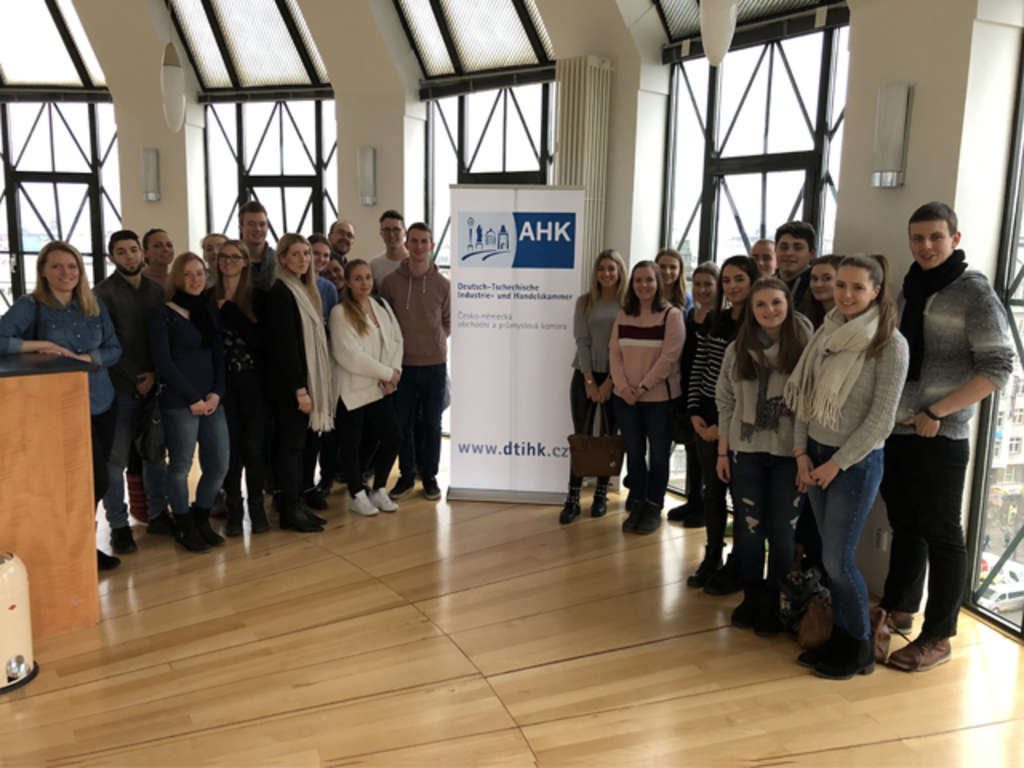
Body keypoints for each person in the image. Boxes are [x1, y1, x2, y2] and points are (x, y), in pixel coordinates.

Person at [876, 202, 1013, 672]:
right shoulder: (909, 287)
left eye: (936, 237)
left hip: (942, 431)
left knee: (942, 533)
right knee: (905, 524)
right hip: (898, 426)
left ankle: (939, 636)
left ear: (955, 238)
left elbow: (999, 366)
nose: (926, 246)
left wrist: (939, 410)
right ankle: (899, 611)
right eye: (918, 238)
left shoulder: (974, 292)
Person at [786, 253, 909, 680]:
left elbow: (881, 420)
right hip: (816, 458)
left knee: (839, 562)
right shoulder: (827, 332)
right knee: (828, 557)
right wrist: (802, 455)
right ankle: (842, 638)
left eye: (858, 287)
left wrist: (836, 464)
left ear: (876, 291)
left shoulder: (890, 343)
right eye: (841, 285)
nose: (847, 294)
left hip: (852, 466)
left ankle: (859, 647)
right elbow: (804, 398)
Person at [0, 241, 122, 570]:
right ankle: (69, 549)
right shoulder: (31, 306)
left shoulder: (92, 304)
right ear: (43, 271)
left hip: (100, 401)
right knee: (79, 479)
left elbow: (114, 349)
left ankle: (84, 546)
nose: (65, 273)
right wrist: (39, 344)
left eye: (72, 266)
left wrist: (85, 358)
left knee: (95, 480)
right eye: (57, 266)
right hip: (58, 407)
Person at [716, 277, 811, 635]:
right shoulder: (738, 349)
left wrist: (803, 456)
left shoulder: (805, 348)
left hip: (789, 454)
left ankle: (777, 599)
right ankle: (753, 596)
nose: (769, 310)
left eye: (776, 303)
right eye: (761, 305)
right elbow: (725, 401)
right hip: (746, 452)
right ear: (751, 311)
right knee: (750, 530)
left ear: (788, 305)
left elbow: (808, 406)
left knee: (783, 535)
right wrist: (723, 451)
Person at [686, 255, 760, 593]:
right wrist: (694, 413)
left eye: (739, 279)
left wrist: (723, 426)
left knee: (741, 497)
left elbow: (751, 385)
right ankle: (712, 555)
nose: (732, 286)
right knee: (711, 492)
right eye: (727, 280)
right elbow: (699, 366)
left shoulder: (760, 323)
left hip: (736, 424)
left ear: (753, 280)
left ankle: (741, 566)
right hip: (704, 419)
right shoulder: (715, 319)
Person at [94, 230, 171, 550]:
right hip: (120, 388)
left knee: (155, 454)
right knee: (116, 461)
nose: (129, 257)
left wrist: (154, 375)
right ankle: (118, 524)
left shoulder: (156, 291)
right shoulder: (102, 293)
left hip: (155, 387)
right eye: (121, 252)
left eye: (133, 250)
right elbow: (105, 343)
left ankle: (157, 514)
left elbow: (163, 337)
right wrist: (136, 376)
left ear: (143, 254)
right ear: (112, 257)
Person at [149, 252, 229, 552]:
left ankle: (200, 516)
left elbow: (219, 356)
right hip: (180, 402)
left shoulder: (208, 310)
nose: (195, 279)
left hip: (212, 401)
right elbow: (164, 362)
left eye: (199, 273)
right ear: (177, 278)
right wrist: (193, 398)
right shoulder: (162, 314)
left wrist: (217, 394)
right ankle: (183, 524)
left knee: (219, 463)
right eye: (188, 274)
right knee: (181, 465)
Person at [609, 260, 685, 535]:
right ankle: (638, 503)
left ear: (659, 283)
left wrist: (641, 388)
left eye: (649, 280)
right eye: (638, 280)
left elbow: (669, 358)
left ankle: (654, 506)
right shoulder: (623, 315)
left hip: (659, 401)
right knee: (635, 455)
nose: (644, 285)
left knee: (660, 457)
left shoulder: (671, 315)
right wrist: (623, 387)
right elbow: (614, 354)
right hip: (625, 398)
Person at [263, 233, 332, 532]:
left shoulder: (305, 289)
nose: (304, 259)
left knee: (297, 447)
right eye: (296, 254)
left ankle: (295, 503)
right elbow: (285, 346)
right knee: (290, 447)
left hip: (299, 383)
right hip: (290, 387)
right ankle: (290, 510)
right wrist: (300, 389)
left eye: (306, 253)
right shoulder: (280, 291)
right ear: (282, 258)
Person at [380, 222, 450, 502]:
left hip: (435, 365)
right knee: (404, 425)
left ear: (431, 246)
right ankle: (406, 475)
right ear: (406, 245)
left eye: (424, 241)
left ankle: (429, 477)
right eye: (414, 241)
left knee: (432, 424)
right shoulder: (391, 282)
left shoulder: (443, 284)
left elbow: (448, 322)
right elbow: (384, 323)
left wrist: (433, 341)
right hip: (402, 367)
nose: (419, 246)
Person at [330, 259, 404, 516]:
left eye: (368, 277)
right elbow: (349, 355)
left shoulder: (380, 305)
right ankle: (356, 494)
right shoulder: (340, 313)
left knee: (393, 437)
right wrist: (386, 373)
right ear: (348, 283)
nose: (365, 283)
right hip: (353, 390)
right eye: (358, 278)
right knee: (351, 445)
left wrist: (394, 374)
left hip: (380, 388)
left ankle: (379, 488)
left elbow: (396, 339)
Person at [561, 249, 628, 524]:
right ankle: (573, 498)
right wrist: (590, 380)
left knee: (609, 438)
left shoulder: (629, 305)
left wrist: (610, 381)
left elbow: (624, 347)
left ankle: (601, 494)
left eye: (612, 268)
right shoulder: (585, 302)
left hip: (617, 378)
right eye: (602, 268)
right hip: (584, 374)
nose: (606, 273)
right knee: (583, 438)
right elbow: (582, 341)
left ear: (620, 272)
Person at [214, 239, 270, 536]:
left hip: (253, 382)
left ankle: (257, 509)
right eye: (224, 256)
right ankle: (234, 511)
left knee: (254, 448)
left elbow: (260, 341)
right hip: (222, 384)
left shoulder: (259, 297)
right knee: (231, 450)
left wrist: (231, 312)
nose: (229, 261)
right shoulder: (208, 296)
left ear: (246, 262)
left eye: (235, 257)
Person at [668, 261, 719, 527]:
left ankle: (706, 511)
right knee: (691, 451)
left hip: (709, 396)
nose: (702, 289)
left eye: (708, 284)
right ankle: (693, 501)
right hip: (688, 390)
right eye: (697, 284)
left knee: (707, 457)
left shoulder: (721, 318)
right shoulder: (691, 315)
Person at [301, 232, 340, 510]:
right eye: (315, 253)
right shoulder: (290, 285)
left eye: (325, 255)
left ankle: (323, 480)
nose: (319, 259)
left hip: (324, 365)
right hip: (301, 366)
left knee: (325, 428)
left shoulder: (327, 288)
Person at [775, 221, 817, 315]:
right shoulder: (764, 285)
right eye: (784, 247)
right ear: (775, 250)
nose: (789, 253)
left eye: (798, 248)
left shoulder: (817, 287)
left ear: (811, 253)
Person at [239, 201, 276, 291]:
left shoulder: (279, 260)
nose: (257, 229)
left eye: (262, 224)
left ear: (267, 227)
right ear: (241, 228)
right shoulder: (231, 260)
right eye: (251, 224)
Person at [371, 210, 408, 288]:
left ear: (405, 232)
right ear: (381, 233)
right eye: (387, 230)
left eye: (396, 229)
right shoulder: (374, 265)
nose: (391, 235)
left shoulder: (416, 262)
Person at [806, 255, 843, 329]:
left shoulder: (847, 319)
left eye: (827, 278)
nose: (818, 284)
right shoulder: (809, 314)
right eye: (814, 278)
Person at [655, 248, 693, 313]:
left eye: (673, 267)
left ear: (680, 271)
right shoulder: (646, 296)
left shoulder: (688, 300)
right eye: (662, 266)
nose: (667, 272)